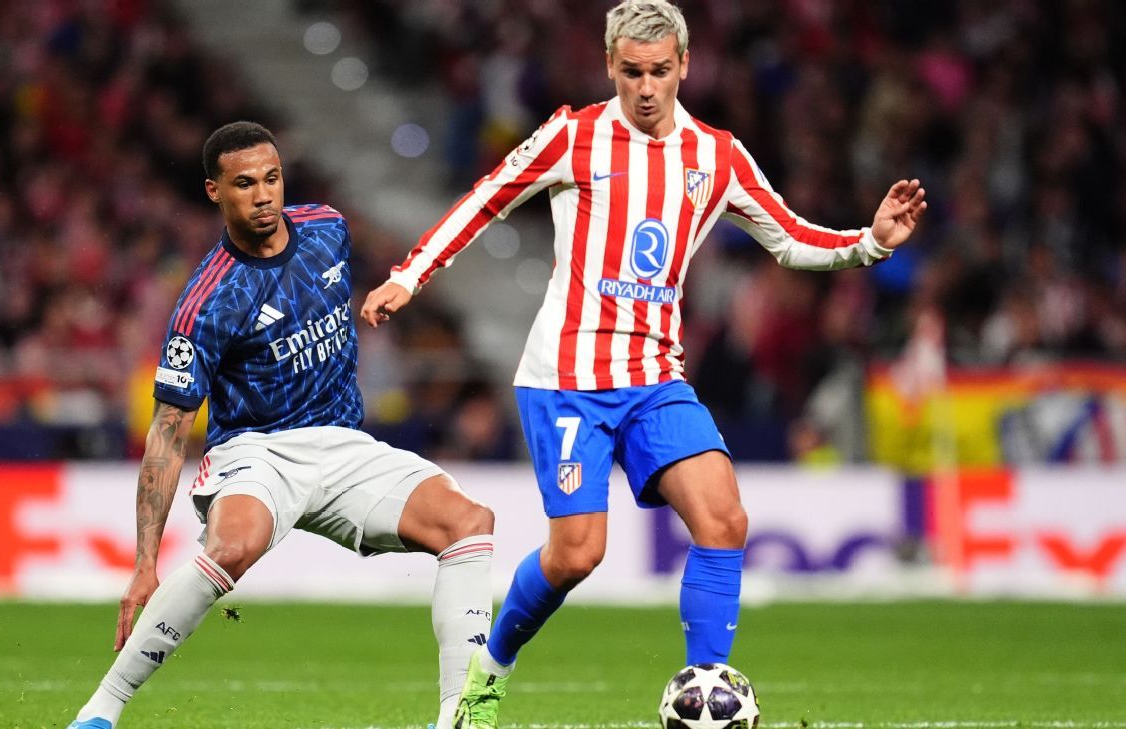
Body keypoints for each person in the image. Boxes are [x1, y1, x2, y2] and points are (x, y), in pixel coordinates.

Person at [360, 2, 928, 727]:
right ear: (610, 66)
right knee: (576, 554)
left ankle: (706, 691)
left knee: (723, 517)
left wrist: (869, 242)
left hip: (656, 379)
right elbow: (483, 200)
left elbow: (788, 237)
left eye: (660, 70)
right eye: (632, 71)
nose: (647, 87)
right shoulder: (573, 135)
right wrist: (411, 275)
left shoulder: (717, 155)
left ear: (685, 64)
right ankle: (487, 675)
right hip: (568, 381)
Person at [68, 121, 496, 729]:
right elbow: (166, 434)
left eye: (272, 178)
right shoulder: (206, 302)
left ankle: (461, 717)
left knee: (469, 522)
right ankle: (99, 712)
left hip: (344, 444)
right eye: (245, 184)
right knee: (233, 546)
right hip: (257, 452)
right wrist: (144, 563)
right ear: (215, 191)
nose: (264, 194)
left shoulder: (328, 229)